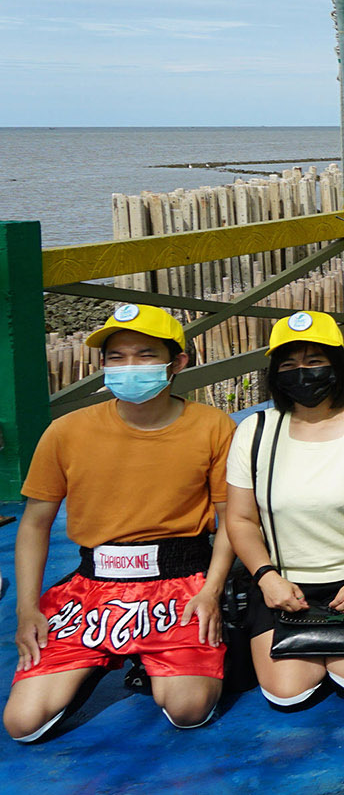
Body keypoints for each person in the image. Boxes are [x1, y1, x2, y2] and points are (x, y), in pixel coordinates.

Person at [7, 304, 235, 742]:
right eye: (117, 356)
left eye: (145, 355)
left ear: (178, 363)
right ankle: (104, 659)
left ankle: (179, 656)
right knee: (23, 723)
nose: (129, 367)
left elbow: (233, 520)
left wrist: (211, 592)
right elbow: (34, 525)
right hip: (90, 588)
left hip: (181, 581)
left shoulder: (214, 427)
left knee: (188, 709)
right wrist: (27, 609)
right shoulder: (65, 431)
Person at [223, 311, 344, 711]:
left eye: (315, 362)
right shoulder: (255, 431)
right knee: (288, 693)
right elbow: (240, 518)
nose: (302, 374)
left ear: (338, 365)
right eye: (289, 365)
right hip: (283, 586)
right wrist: (267, 579)